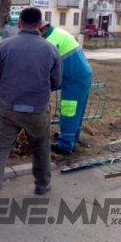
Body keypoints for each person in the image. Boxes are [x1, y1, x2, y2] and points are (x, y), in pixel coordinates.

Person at [0, 7, 62, 207]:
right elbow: (57, 81)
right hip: (37, 109)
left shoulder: (3, 45)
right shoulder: (51, 49)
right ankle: (42, 185)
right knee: (41, 146)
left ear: (19, 24)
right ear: (40, 25)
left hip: (8, 107)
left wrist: (4, 83)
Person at [40, 21, 93, 155]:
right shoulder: (58, 33)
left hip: (74, 79)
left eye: (38, 31)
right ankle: (71, 138)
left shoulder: (51, 41)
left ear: (45, 28)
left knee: (69, 111)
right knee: (76, 112)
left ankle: (65, 145)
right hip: (79, 75)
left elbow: (46, 68)